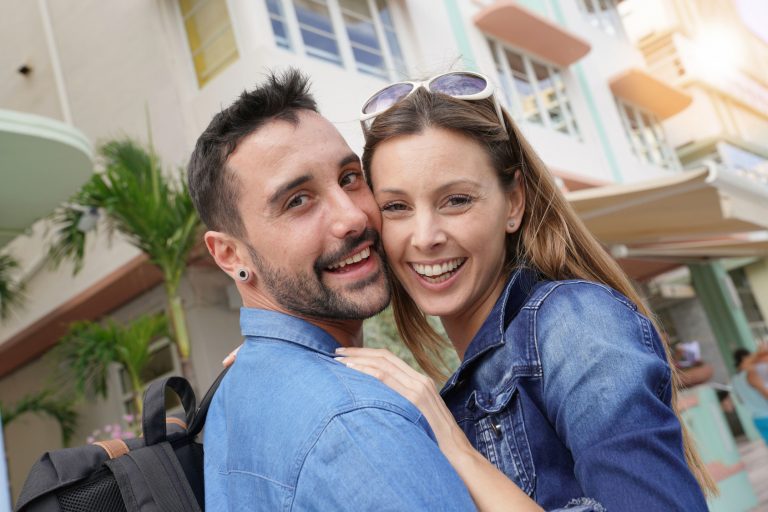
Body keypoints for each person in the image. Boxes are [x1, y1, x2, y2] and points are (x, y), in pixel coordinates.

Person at [331, 71, 716, 511]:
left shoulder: (574, 324)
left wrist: (458, 452)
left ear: (514, 202)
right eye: (396, 207)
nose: (425, 236)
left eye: (456, 200)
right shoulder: (472, 384)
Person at [188, 69, 564, 511]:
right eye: (298, 201)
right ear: (231, 256)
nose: (353, 217)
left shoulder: (239, 391)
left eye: (349, 177)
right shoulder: (358, 424)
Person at [733, 347, 768, 442]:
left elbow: (740, 400)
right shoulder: (751, 373)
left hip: (757, 418)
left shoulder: (735, 380)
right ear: (745, 358)